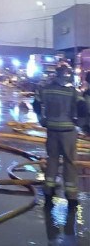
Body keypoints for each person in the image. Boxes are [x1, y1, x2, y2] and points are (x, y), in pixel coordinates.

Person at [33, 63, 87, 208]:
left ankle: (48, 191)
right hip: (68, 132)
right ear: (67, 73)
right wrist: (80, 124)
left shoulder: (46, 89)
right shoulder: (72, 91)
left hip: (52, 131)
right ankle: (71, 197)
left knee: (52, 160)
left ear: (56, 73)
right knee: (70, 163)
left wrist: (41, 119)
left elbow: (36, 103)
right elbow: (83, 107)